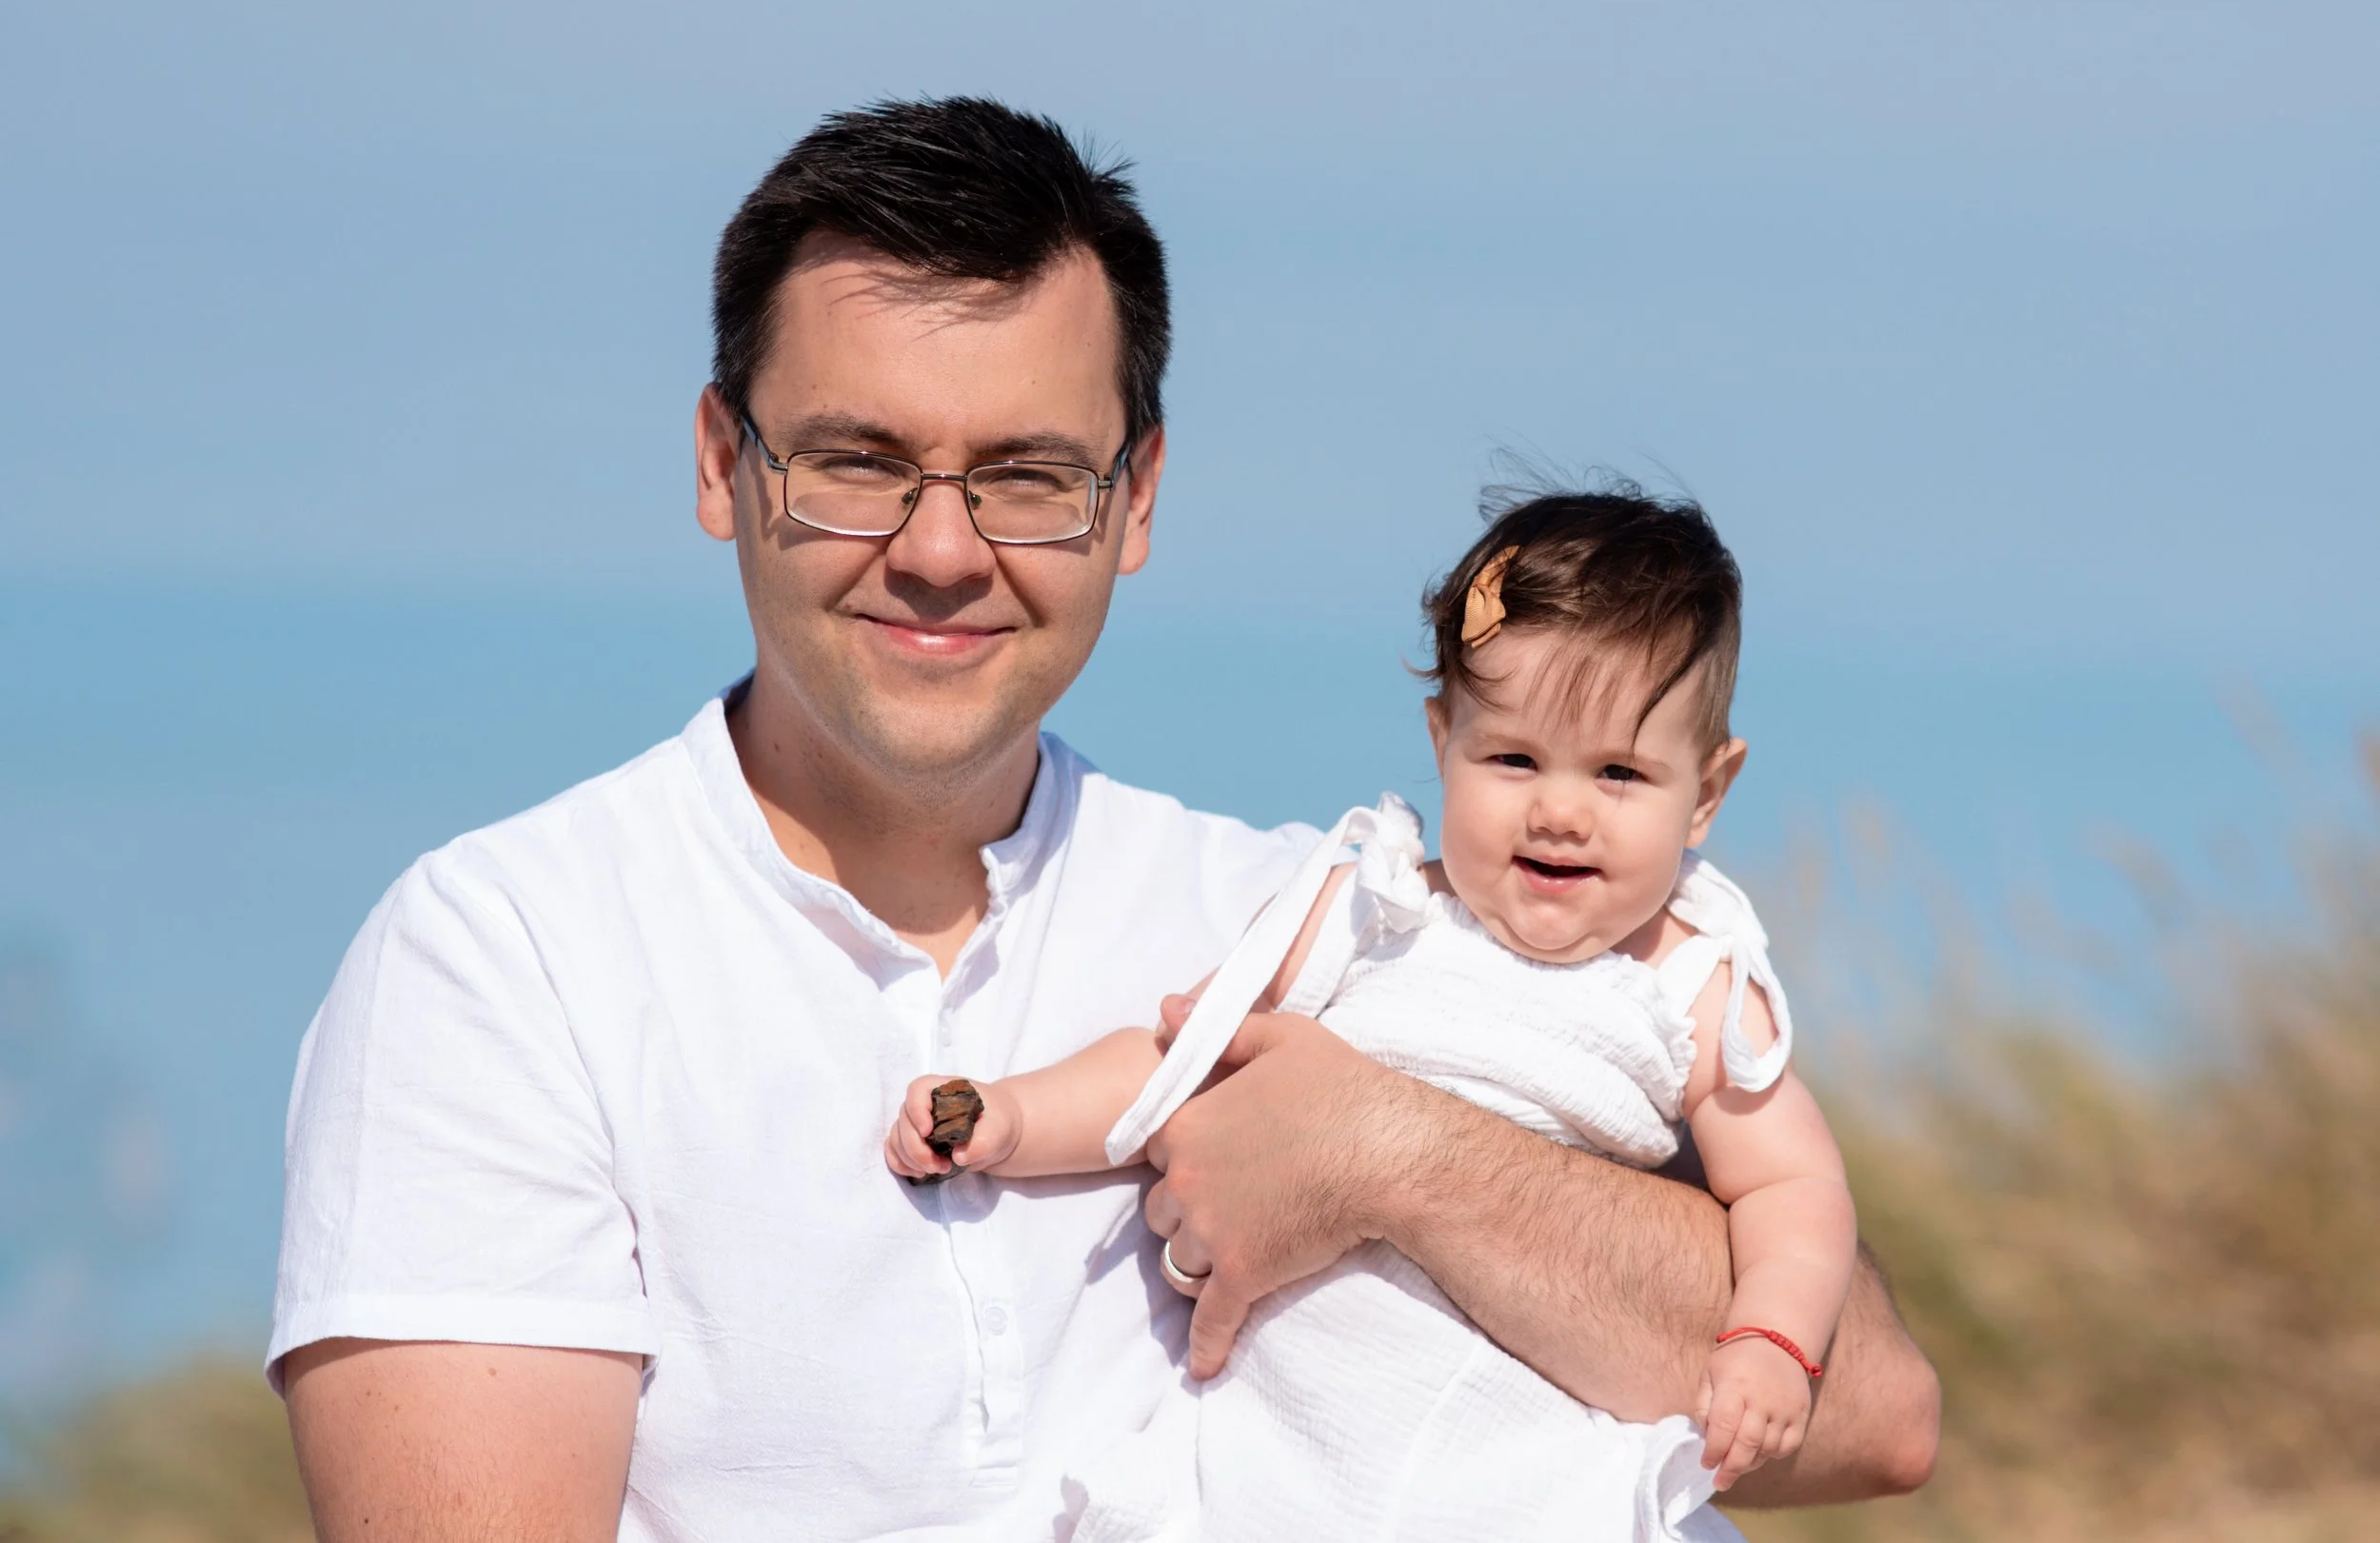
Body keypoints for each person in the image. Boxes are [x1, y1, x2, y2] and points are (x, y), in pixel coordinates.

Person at [270, 97, 1938, 1542]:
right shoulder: (504, 960)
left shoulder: (1318, 920)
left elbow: (1871, 1409)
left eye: (1026, 476)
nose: (939, 550)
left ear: (1133, 499)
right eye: (854, 461)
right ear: (723, 463)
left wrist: (1395, 1153)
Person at [885, 490, 1854, 1541]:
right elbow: (1182, 1059)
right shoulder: (1368, 914)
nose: (1559, 810)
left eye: (1619, 772)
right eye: (1514, 758)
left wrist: (1772, 1338)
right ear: (1443, 739)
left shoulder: (1695, 987)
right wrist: (1014, 1115)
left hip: (1532, 1479)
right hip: (1288, 1453)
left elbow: (1792, 1186)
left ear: (1706, 791)